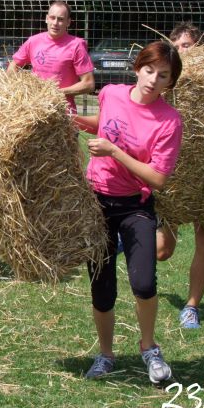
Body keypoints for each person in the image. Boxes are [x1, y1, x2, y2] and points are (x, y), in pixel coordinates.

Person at [73, 41, 183, 384]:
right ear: (137, 68)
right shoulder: (112, 94)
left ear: (170, 82)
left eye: (162, 75)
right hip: (97, 203)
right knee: (101, 287)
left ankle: (149, 347)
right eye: (149, 70)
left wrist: (114, 152)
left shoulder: (169, 121)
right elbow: (104, 122)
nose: (152, 80)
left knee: (144, 282)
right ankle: (105, 355)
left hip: (136, 205)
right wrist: (74, 120)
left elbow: (158, 179)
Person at [157, 21, 204, 330]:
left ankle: (192, 306)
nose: (183, 52)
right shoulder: (166, 82)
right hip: (175, 169)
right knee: (163, 250)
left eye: (188, 46)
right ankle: (133, 244)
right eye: (178, 46)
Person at [7, 0, 95, 114]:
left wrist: (55, 92)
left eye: (61, 19)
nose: (55, 23)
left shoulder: (76, 45)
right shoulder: (33, 41)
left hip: (63, 114)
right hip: (34, 111)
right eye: (52, 18)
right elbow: (13, 65)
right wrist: (18, 89)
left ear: (68, 22)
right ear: (46, 18)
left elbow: (88, 84)